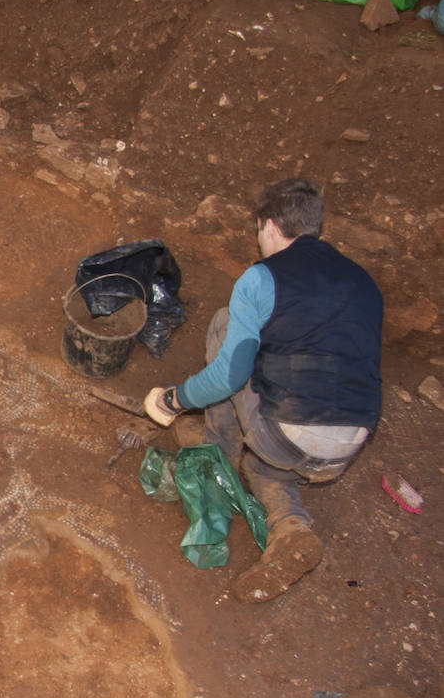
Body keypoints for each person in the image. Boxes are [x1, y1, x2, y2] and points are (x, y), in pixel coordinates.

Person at [144, 178, 382, 603]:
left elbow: (228, 377)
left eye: (258, 230)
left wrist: (173, 400)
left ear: (269, 226)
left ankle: (219, 452)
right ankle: (291, 529)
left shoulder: (262, 279)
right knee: (268, 469)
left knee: (224, 327)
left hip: (287, 428)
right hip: (348, 441)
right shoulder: (363, 282)